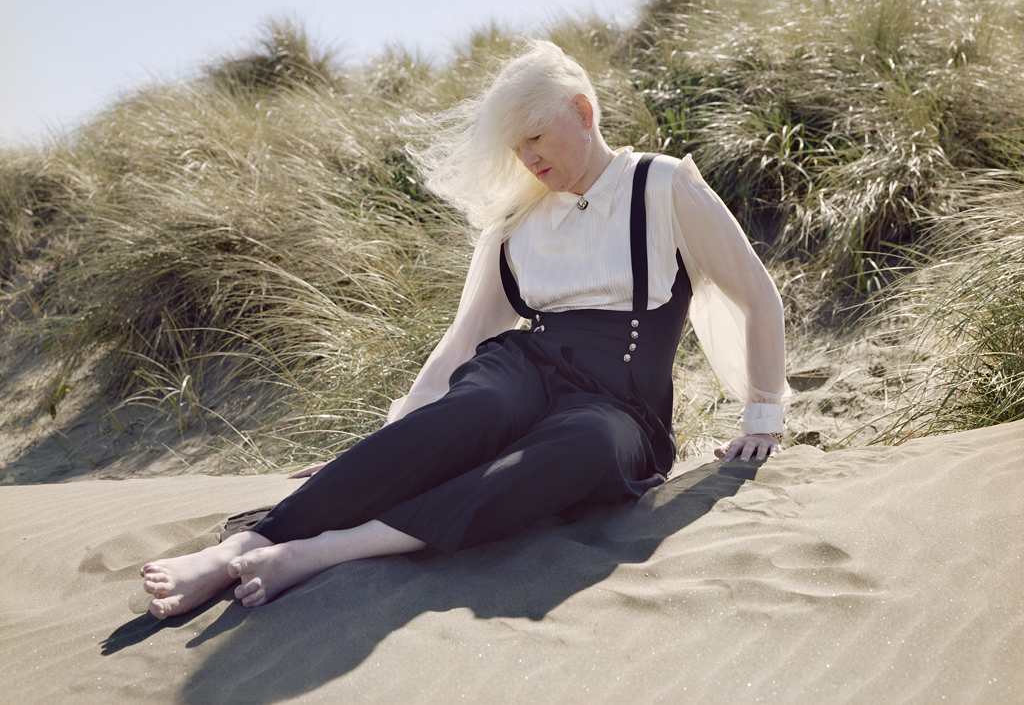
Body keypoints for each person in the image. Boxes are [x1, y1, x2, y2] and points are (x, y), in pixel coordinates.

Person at [140, 40, 788, 619]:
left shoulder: (662, 185)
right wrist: (396, 437)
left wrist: (761, 420)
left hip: (619, 405)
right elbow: (463, 339)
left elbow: (757, 293)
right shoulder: (517, 223)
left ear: (584, 112)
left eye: (537, 134)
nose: (528, 157)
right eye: (517, 145)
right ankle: (240, 546)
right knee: (476, 406)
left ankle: (326, 549)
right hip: (526, 368)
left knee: (586, 444)